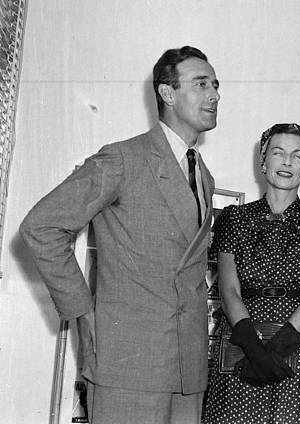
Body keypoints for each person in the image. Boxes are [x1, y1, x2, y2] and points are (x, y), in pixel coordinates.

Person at [20, 45, 220, 424]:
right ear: (167, 93)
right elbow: (41, 226)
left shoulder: (202, 175)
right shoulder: (123, 159)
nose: (214, 94)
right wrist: (81, 311)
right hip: (128, 362)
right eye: (201, 83)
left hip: (187, 369)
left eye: (215, 85)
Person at [202, 123, 300, 424]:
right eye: (278, 153)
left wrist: (274, 352)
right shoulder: (233, 218)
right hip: (241, 342)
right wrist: (254, 350)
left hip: (297, 344)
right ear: (263, 162)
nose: (287, 161)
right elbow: (228, 290)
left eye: (298, 156)